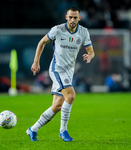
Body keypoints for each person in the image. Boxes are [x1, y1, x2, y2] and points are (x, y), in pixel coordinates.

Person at [26, 6, 95, 142]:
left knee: (57, 106)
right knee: (71, 95)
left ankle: (32, 129)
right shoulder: (57, 30)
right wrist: (36, 62)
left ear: (79, 18)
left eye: (75, 17)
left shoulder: (84, 32)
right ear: (66, 17)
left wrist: (90, 56)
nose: (73, 20)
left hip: (69, 72)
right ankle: (63, 131)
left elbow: (91, 50)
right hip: (57, 69)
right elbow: (42, 43)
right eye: (70, 17)